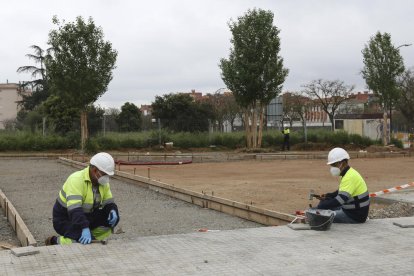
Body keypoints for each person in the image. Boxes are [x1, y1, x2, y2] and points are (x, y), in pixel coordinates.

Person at [45, 152, 120, 245]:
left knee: (110, 221)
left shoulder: (103, 183)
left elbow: (109, 202)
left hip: (86, 217)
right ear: (94, 170)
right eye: (104, 174)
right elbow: (74, 209)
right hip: (66, 219)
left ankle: (89, 237)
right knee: (80, 241)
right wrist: (84, 228)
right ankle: (55, 241)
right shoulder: (76, 179)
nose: (106, 178)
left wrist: (113, 210)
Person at [316, 147, 370, 223]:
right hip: (354, 210)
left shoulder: (349, 177)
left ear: (342, 163)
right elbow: (342, 191)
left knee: (320, 216)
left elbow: (340, 200)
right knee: (325, 206)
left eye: (334, 165)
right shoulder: (348, 173)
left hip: (354, 215)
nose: (332, 167)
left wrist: (322, 206)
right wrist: (329, 195)